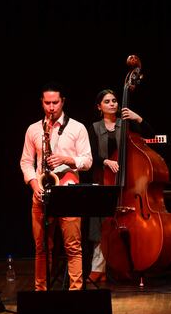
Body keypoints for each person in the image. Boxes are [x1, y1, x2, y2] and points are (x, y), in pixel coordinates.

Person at [20, 82, 92, 290]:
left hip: (68, 192)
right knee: (41, 248)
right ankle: (41, 292)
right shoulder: (34, 129)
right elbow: (26, 162)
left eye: (55, 102)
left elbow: (87, 161)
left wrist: (65, 159)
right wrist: (35, 185)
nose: (51, 107)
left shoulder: (77, 128)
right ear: (42, 103)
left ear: (63, 102)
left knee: (73, 247)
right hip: (41, 192)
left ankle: (76, 292)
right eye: (47, 103)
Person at [86, 88, 154, 283]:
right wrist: (106, 161)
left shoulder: (126, 125)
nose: (112, 104)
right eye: (107, 101)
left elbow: (150, 136)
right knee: (102, 223)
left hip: (127, 183)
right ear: (99, 107)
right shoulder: (94, 128)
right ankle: (98, 267)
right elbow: (89, 155)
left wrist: (137, 118)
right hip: (103, 179)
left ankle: (124, 264)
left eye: (114, 100)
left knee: (125, 223)